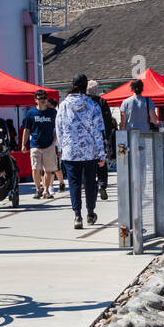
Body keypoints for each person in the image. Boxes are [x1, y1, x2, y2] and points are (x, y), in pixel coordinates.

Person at [55, 73, 106, 230]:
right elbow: (99, 131)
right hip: (89, 151)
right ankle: (91, 212)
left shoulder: (63, 105)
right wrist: (102, 154)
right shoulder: (92, 105)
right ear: (85, 87)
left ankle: (77, 215)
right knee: (91, 182)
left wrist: (61, 148)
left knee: (74, 184)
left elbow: (59, 128)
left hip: (70, 151)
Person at [20, 91, 59, 198]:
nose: (43, 100)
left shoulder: (52, 112)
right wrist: (24, 144)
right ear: (35, 100)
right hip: (35, 145)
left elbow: (58, 127)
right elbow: (26, 130)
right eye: (40, 98)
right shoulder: (30, 113)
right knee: (35, 168)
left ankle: (46, 190)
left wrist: (55, 139)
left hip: (49, 145)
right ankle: (38, 190)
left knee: (48, 170)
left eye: (45, 98)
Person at [87, 83, 117, 200]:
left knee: (89, 163)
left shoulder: (84, 102)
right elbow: (108, 120)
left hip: (87, 138)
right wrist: (107, 135)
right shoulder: (102, 102)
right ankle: (102, 184)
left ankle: (91, 185)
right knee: (102, 161)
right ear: (96, 91)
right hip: (100, 136)